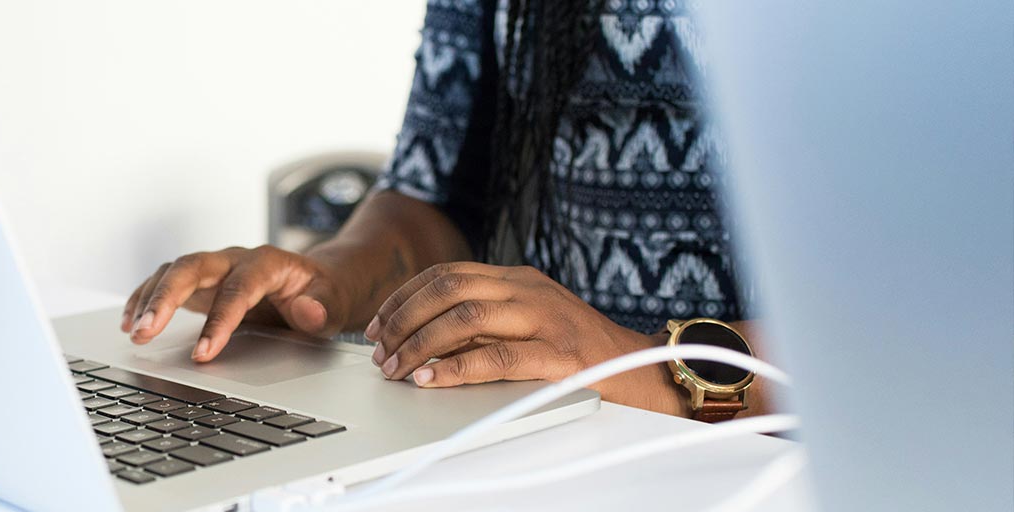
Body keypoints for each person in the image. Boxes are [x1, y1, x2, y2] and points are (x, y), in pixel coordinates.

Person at [121, 0, 774, 421]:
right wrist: (328, 281)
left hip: (795, 456)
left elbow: (878, 327)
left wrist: (649, 367)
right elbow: (437, 189)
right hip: (555, 425)